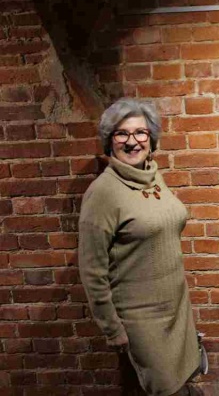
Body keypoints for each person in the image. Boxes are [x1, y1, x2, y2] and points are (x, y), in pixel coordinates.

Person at [78, 98, 203, 396]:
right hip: (142, 321)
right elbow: (92, 272)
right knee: (165, 389)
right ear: (110, 141)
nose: (132, 141)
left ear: (151, 138)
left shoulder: (153, 177)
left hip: (176, 310)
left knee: (184, 383)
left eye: (140, 132)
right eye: (122, 133)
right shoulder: (103, 193)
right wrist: (113, 329)